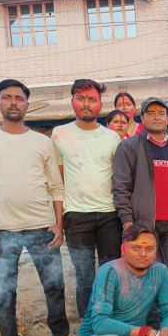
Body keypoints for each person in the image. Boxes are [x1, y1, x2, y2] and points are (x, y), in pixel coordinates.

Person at [0, 78, 69, 336]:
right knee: (3, 293)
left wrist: (59, 223)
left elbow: (55, 186)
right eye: (7, 97)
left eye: (19, 98)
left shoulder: (42, 142)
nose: (13, 102)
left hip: (42, 226)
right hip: (1, 229)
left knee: (54, 286)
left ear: (27, 104)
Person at [112, 97, 168, 331]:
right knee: (145, 276)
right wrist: (127, 222)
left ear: (167, 117)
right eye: (151, 112)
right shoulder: (129, 146)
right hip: (143, 225)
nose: (157, 116)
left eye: (161, 112)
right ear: (142, 117)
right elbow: (121, 187)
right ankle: (150, 325)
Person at [51, 79, 122, 320]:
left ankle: (110, 321)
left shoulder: (112, 138)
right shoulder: (60, 134)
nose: (86, 104)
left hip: (110, 216)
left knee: (110, 273)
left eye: (92, 99)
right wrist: (58, 221)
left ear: (100, 104)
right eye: (81, 98)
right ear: (72, 102)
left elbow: (120, 179)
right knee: (84, 276)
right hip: (76, 216)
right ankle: (89, 327)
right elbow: (57, 181)